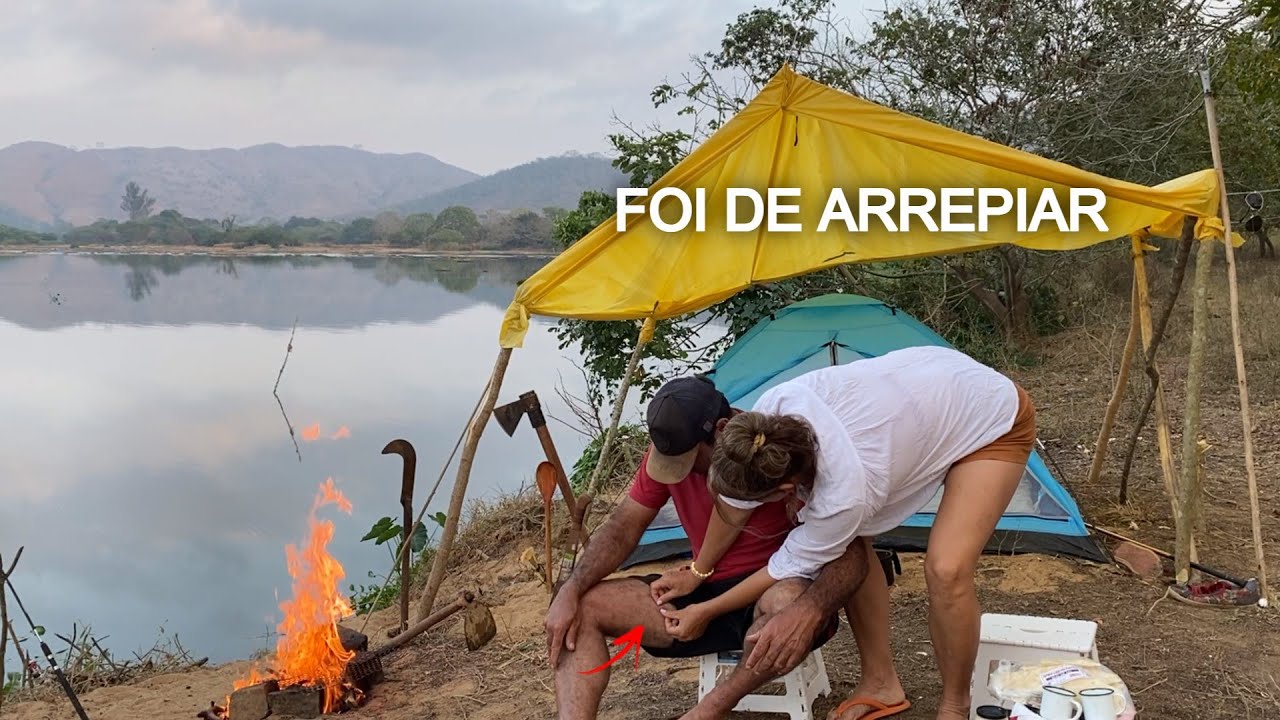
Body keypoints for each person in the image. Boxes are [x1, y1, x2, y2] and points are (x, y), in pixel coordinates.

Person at [669, 345, 1036, 720]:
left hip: (990, 414)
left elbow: (783, 568)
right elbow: (735, 506)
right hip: (929, 389)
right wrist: (699, 570)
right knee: (849, 540)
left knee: (947, 570)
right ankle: (881, 683)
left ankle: (955, 704)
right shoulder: (762, 432)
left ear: (784, 490)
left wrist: (706, 609)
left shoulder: (843, 495)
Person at [544, 375, 862, 720]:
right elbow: (624, 526)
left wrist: (814, 607)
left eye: (689, 460)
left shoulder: (775, 452)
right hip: (699, 588)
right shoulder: (669, 451)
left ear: (722, 430)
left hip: (775, 587)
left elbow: (852, 548)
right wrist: (571, 588)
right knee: (582, 607)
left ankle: (708, 711)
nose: (679, 472)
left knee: (786, 602)